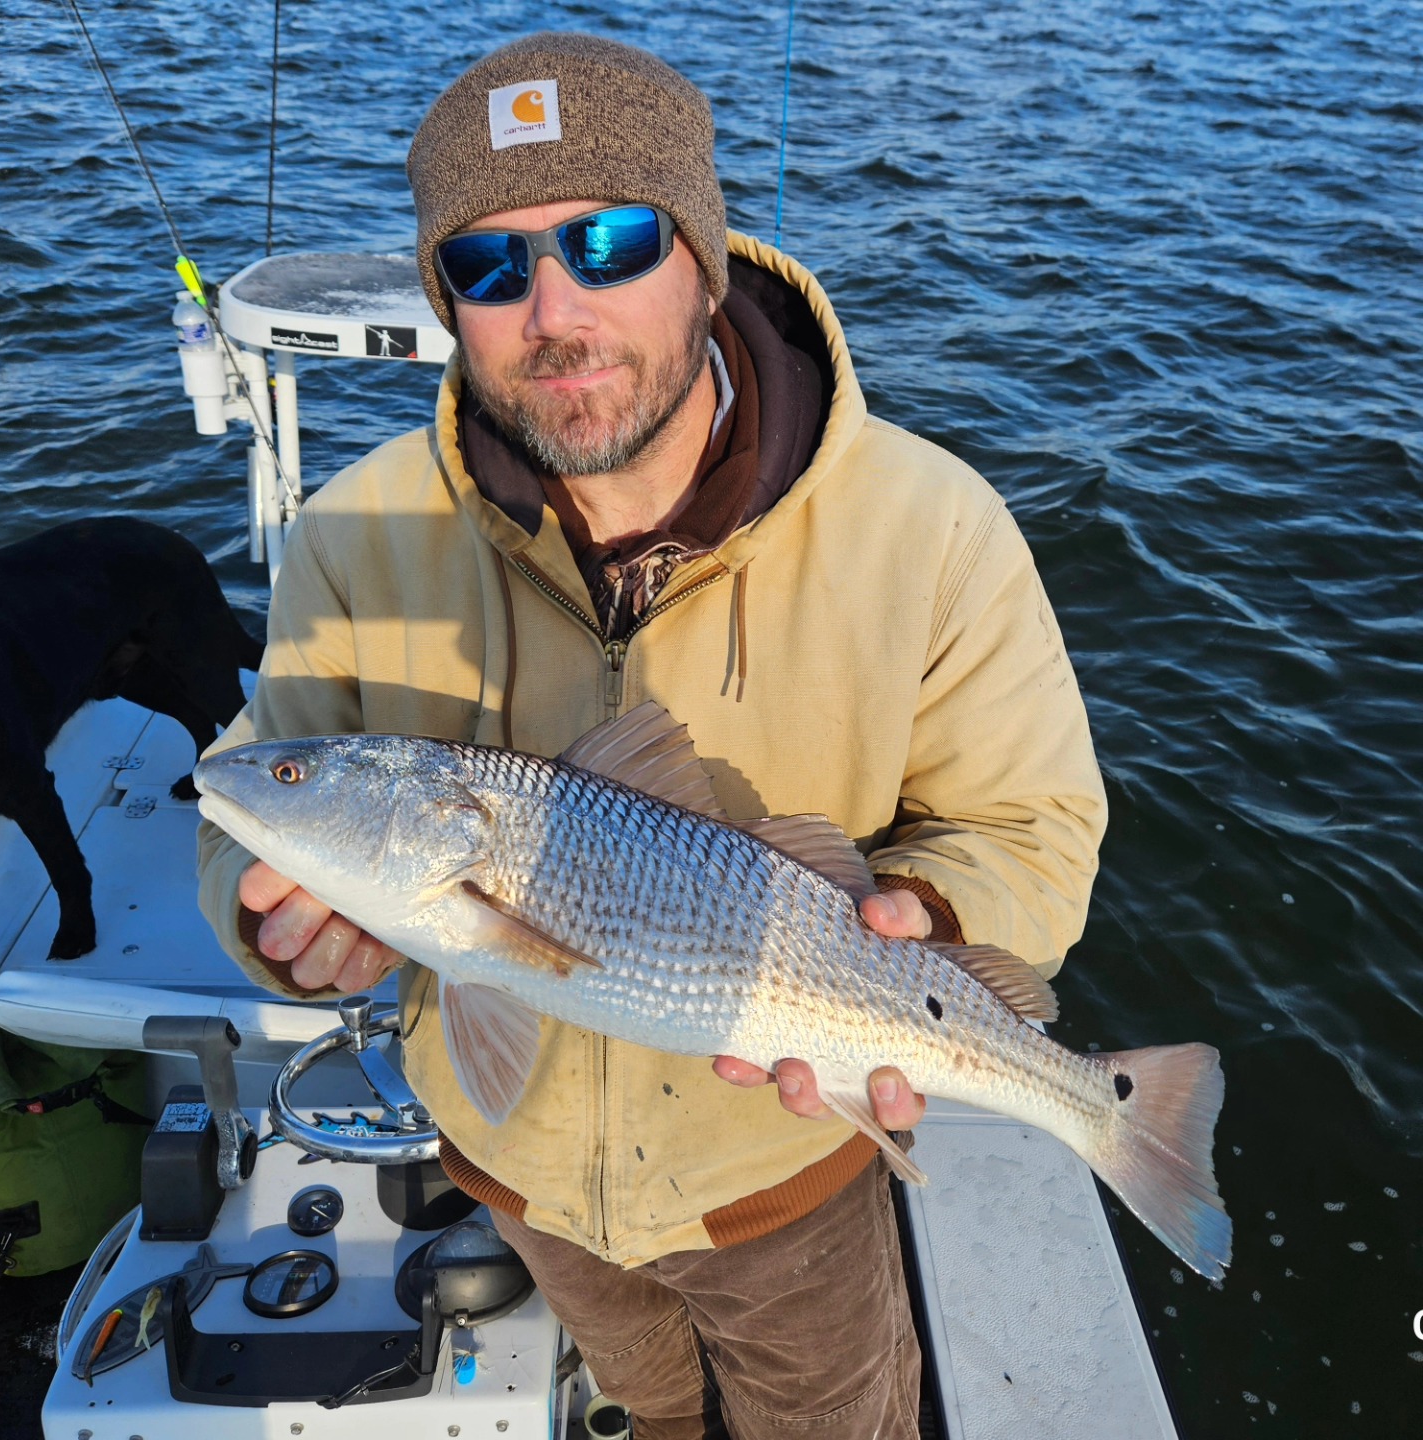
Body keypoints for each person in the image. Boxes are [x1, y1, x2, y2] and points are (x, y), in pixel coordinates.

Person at [198, 32, 1107, 1439]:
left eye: (610, 242)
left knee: (831, 1414)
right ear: (448, 304)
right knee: (653, 1409)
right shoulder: (354, 533)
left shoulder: (932, 526)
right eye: (488, 268)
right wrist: (277, 932)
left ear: (706, 257)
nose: (554, 310)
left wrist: (922, 916)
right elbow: (254, 797)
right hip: (518, 1171)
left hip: (782, 1164)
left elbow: (1031, 829)